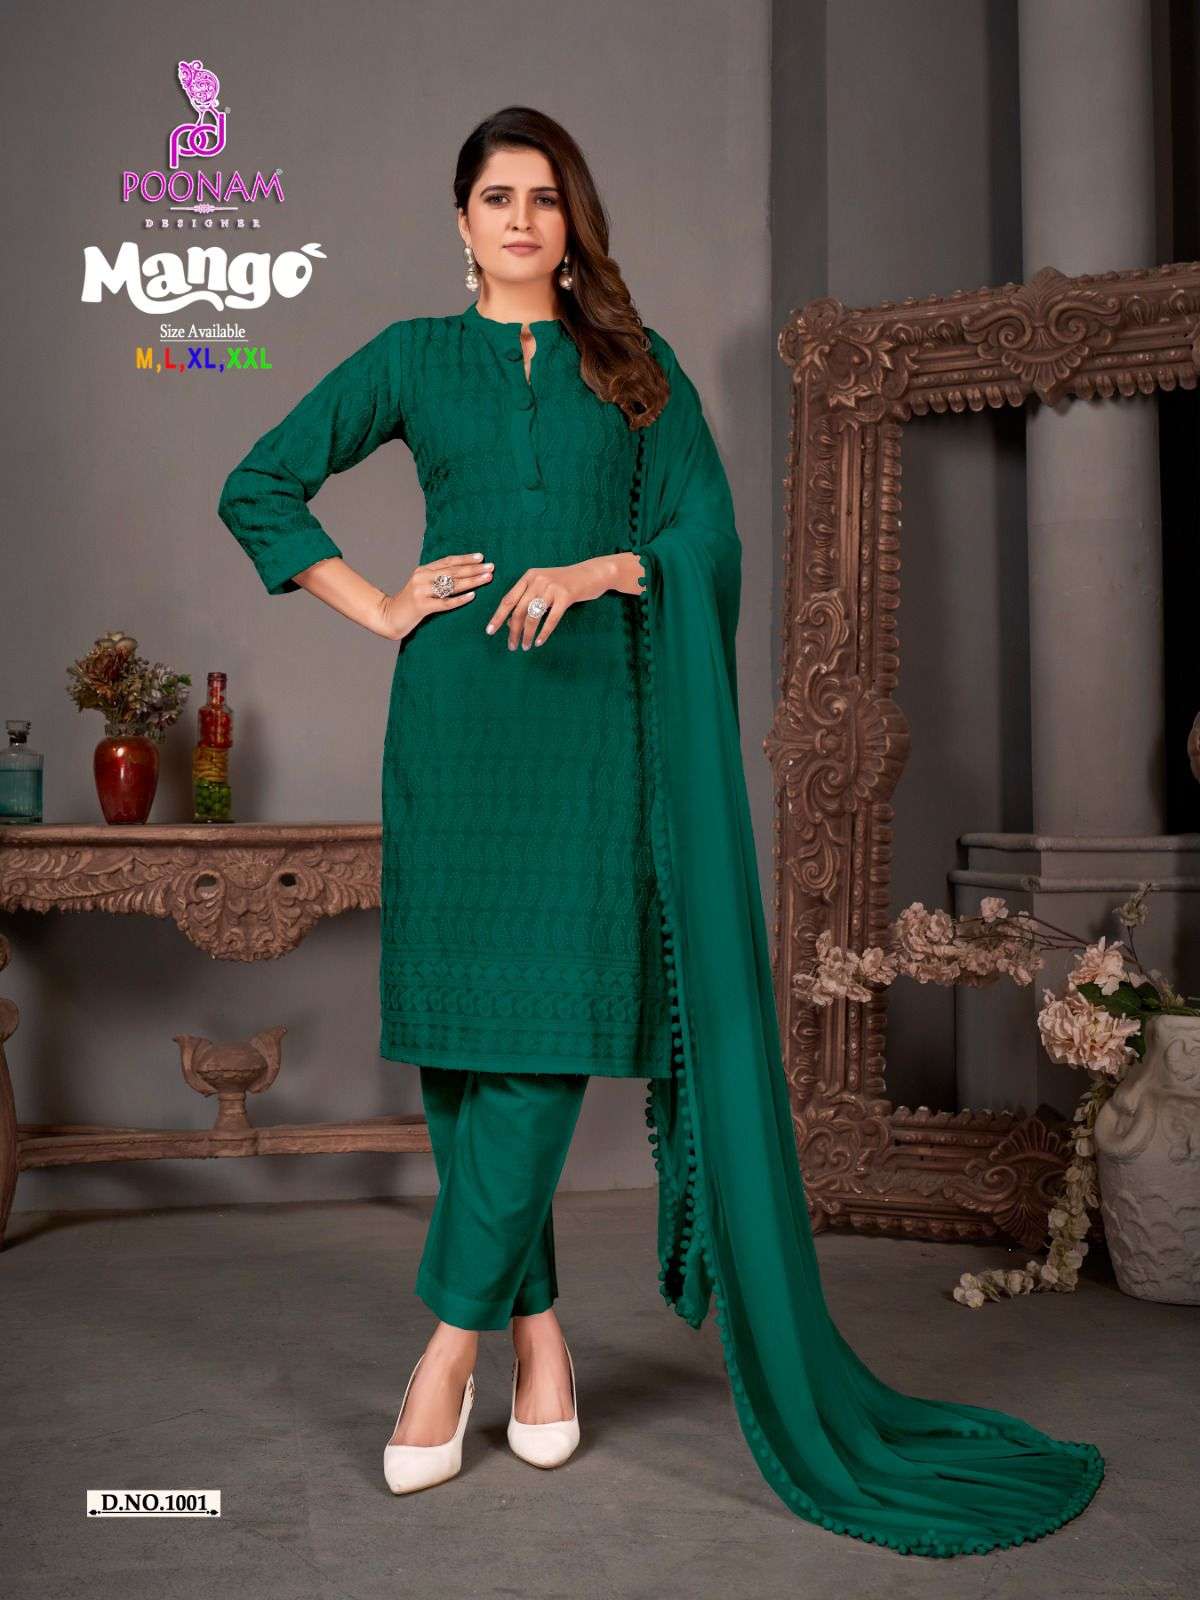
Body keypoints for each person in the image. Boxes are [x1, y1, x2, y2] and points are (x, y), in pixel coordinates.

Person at [217, 106, 1105, 1554]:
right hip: (455, 730)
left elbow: (707, 537)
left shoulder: (634, 369)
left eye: (544, 197)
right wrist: (379, 605)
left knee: (543, 1039)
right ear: (460, 222)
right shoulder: (409, 359)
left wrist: (600, 569)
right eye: (497, 197)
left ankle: (445, 1352)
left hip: (592, 737)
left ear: (573, 223)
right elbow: (258, 482)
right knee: (464, 1045)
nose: (521, 218)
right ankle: (542, 1341)